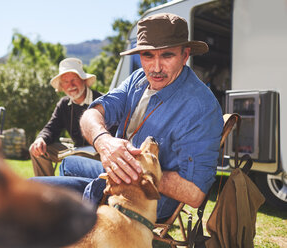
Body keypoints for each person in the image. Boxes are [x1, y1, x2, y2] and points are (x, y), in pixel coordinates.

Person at [31, 13, 223, 222]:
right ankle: (75, 226)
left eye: (167, 55)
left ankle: (76, 222)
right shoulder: (138, 79)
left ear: (185, 55)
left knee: (31, 189)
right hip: (115, 174)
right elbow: (91, 114)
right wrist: (104, 142)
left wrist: (135, 169)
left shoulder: (200, 107)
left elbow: (195, 193)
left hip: (145, 198)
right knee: (68, 165)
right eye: (148, 55)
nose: (156, 68)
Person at [29, 57, 108, 176]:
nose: (70, 85)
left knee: (78, 158)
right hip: (75, 149)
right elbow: (51, 128)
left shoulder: (101, 101)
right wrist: (41, 139)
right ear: (61, 86)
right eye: (65, 82)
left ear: (83, 80)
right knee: (37, 150)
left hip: (99, 152)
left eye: (74, 79)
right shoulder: (64, 104)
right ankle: (46, 190)